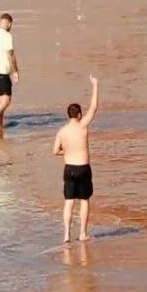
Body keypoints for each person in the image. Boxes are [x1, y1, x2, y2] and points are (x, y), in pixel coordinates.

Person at [55, 76, 99, 247]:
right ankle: (82, 233)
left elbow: (54, 151)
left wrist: (66, 151)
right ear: (79, 114)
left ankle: (66, 234)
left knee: (68, 202)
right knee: (84, 201)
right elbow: (94, 108)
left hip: (69, 168)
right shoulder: (82, 126)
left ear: (68, 115)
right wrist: (95, 85)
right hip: (83, 168)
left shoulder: (62, 131)